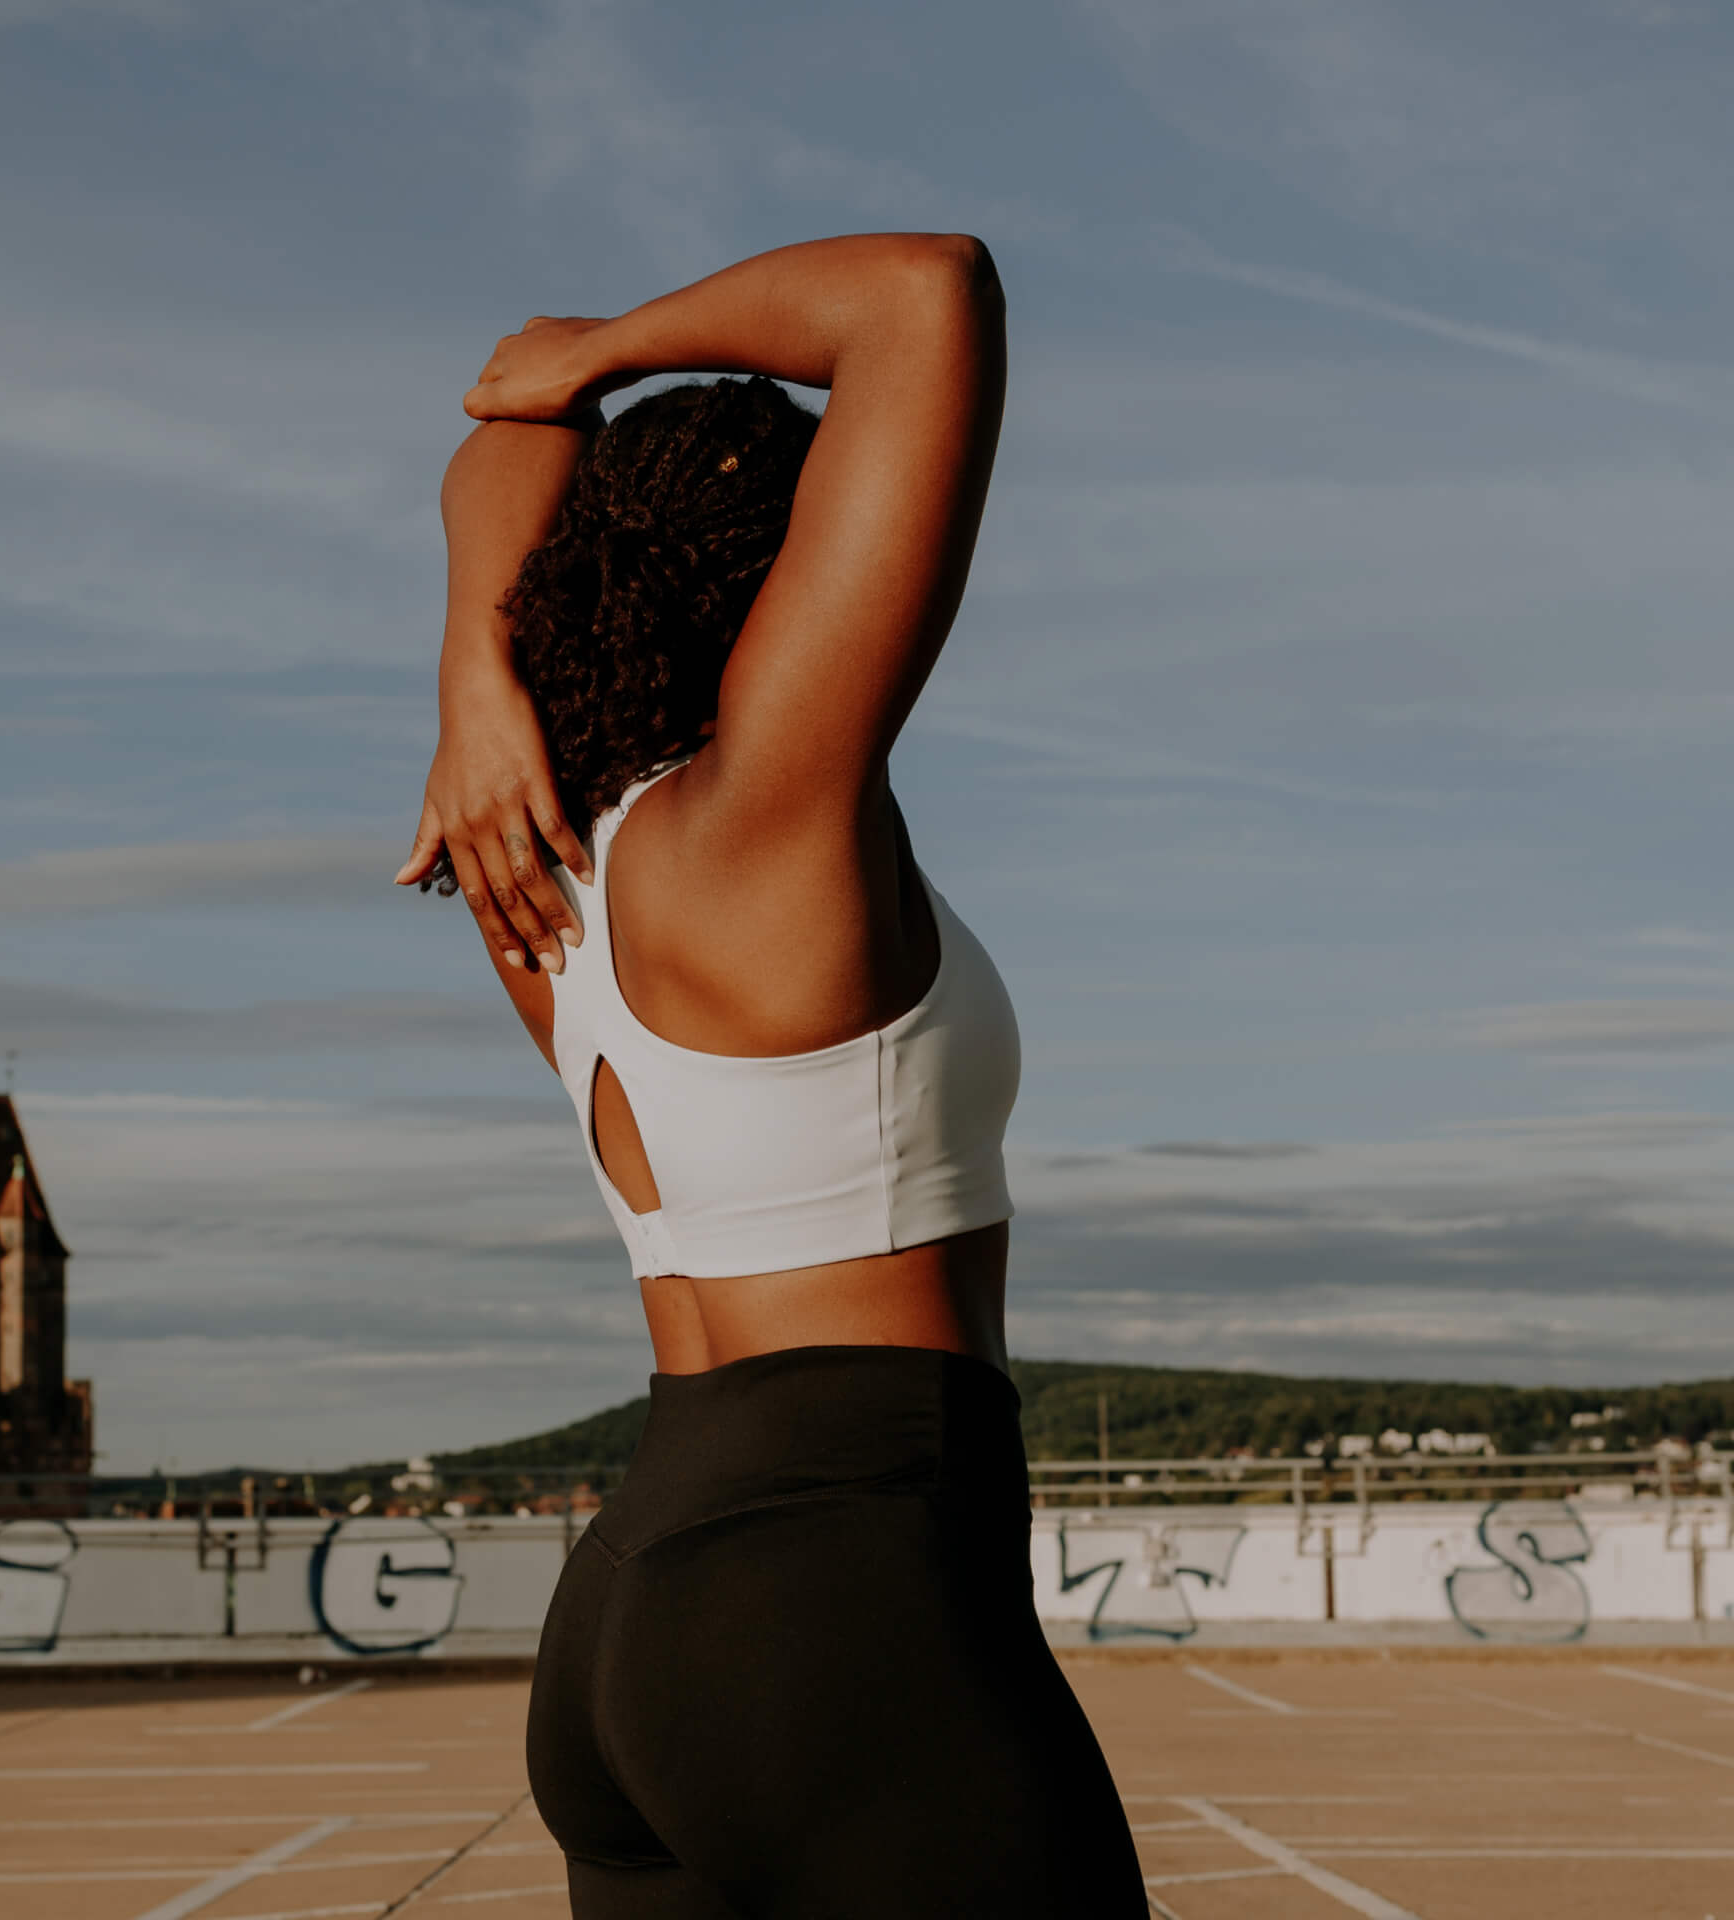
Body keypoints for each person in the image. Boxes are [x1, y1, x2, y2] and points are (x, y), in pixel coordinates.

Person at [397, 234, 1147, 1919]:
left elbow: (498, 440)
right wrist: (605, 344)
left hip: (634, 1608)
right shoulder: (767, 832)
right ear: (789, 579)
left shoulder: (536, 880)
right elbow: (924, 293)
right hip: (837, 1577)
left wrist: (474, 669)